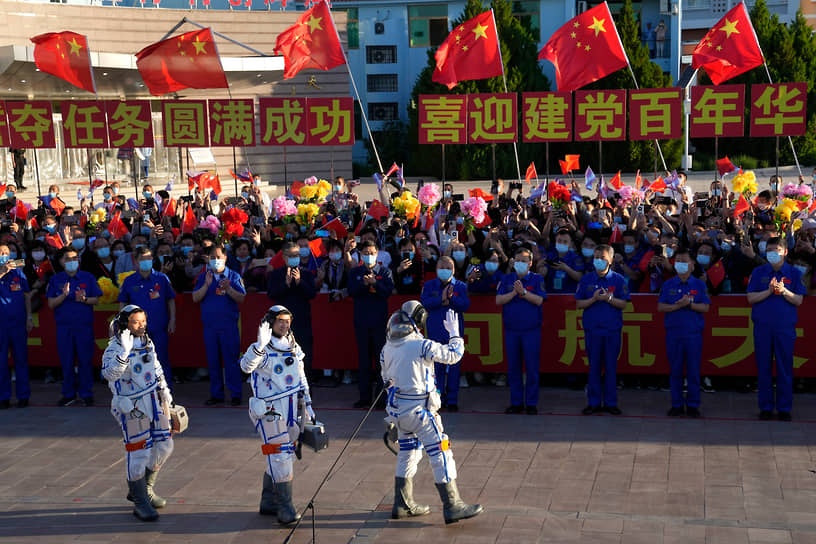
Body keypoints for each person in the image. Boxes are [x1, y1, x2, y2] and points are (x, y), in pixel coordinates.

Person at [381, 301, 482, 524]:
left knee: (409, 453)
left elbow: (386, 381)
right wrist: (455, 335)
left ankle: (403, 503)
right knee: (441, 451)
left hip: (399, 412)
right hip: (421, 412)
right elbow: (453, 355)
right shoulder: (421, 346)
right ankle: (453, 504)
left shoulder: (387, 348)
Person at [239, 305, 315, 525]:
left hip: (292, 408)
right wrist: (260, 346)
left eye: (288, 320)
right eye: (280, 320)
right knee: (280, 456)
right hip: (270, 410)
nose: (285, 324)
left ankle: (269, 501)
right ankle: (285, 507)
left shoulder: (292, 345)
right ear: (270, 323)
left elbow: (301, 377)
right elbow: (245, 367)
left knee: (282, 455)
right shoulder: (261, 347)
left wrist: (308, 403)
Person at [101, 305, 174, 522]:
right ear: (125, 324)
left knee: (165, 445)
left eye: (143, 320)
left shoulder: (146, 341)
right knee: (139, 452)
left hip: (153, 400)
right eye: (136, 322)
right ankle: (140, 500)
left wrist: (165, 390)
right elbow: (109, 374)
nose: (141, 325)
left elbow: (156, 367)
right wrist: (124, 352)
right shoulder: (114, 348)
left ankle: (145, 488)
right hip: (131, 404)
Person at [747, 237, 806, 421]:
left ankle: (784, 408)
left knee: (784, 368)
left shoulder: (794, 273)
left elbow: (798, 300)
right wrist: (769, 291)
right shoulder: (758, 272)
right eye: (769, 250)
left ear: (784, 252)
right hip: (762, 327)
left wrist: (784, 291)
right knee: (763, 368)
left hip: (784, 328)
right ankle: (765, 407)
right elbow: (751, 298)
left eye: (777, 250)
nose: (772, 253)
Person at [575, 244, 630, 415]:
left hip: (612, 331)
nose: (599, 261)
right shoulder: (586, 280)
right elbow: (579, 304)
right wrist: (593, 299)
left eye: (603, 258)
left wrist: (609, 298)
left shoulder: (619, 280)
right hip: (592, 331)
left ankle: (611, 402)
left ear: (611, 260)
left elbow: (624, 304)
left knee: (611, 368)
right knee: (594, 368)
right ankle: (593, 402)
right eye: (596, 257)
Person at [657, 249, 710, 417]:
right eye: (677, 261)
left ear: (692, 265)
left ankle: (693, 405)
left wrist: (689, 305)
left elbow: (705, 307)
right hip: (674, 334)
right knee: (676, 371)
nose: (680, 264)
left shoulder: (700, 285)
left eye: (684, 261)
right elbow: (661, 307)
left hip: (693, 334)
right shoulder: (668, 284)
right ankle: (677, 404)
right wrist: (677, 306)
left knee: (693, 371)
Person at [47, 247, 102, 406]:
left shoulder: (88, 277)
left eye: (75, 258)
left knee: (85, 361)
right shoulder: (56, 279)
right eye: (68, 259)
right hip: (64, 328)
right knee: (67, 361)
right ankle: (69, 394)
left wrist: (84, 299)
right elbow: (51, 304)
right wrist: (63, 295)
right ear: (61, 261)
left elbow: (96, 300)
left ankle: (86, 393)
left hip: (83, 326)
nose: (72, 262)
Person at [192, 245, 246, 406]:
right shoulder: (203, 277)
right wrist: (207, 285)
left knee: (231, 361)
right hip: (210, 327)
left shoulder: (233, 276)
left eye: (218, 257)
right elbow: (195, 298)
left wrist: (228, 288)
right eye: (212, 258)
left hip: (228, 326)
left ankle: (236, 394)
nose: (216, 260)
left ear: (225, 258)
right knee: (213, 362)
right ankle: (217, 394)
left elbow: (241, 298)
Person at [495, 248, 546, 414]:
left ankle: (531, 403)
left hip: (531, 331)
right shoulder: (507, 278)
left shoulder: (537, 279)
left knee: (531, 368)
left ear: (530, 263)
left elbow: (539, 300)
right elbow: (498, 300)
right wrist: (513, 293)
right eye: (517, 260)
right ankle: (516, 402)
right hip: (512, 330)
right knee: (514, 368)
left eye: (524, 261)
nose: (520, 264)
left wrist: (523, 292)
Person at [118, 247, 177, 388]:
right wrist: (122, 324)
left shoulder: (161, 279)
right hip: (136, 330)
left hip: (158, 326)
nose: (146, 261)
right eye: (143, 259)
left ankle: (164, 391)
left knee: (161, 359)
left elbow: (170, 299)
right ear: (136, 262)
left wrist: (172, 319)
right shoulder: (129, 280)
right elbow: (123, 302)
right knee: (137, 360)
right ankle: (141, 390)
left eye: (149, 258)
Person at [420, 256, 470, 411]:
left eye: (448, 267)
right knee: (436, 367)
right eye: (442, 267)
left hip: (454, 333)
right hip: (435, 331)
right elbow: (424, 303)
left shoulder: (460, 286)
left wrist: (451, 300)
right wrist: (441, 300)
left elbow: (465, 305)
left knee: (454, 366)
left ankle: (452, 399)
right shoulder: (429, 285)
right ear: (436, 269)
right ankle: (438, 398)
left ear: (454, 270)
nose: (445, 270)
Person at [348, 240, 394, 408]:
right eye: (365, 253)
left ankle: (381, 398)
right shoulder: (355, 273)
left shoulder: (385, 272)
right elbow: (352, 291)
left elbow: (387, 292)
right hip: (361, 322)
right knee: (364, 361)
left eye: (372, 253)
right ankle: (364, 397)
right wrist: (364, 284)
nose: (369, 256)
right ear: (361, 255)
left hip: (380, 323)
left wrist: (375, 283)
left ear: (377, 253)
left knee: (381, 361)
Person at [267, 242, 316, 378]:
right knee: (281, 360)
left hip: (302, 322)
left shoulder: (306, 273)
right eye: (291, 255)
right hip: (281, 325)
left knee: (305, 360)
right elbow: (271, 295)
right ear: (284, 257)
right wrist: (285, 284)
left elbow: (312, 294)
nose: (295, 258)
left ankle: (305, 395)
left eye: (297, 255)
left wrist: (300, 282)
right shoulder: (276, 274)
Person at [0, 243, 32, 408]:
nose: (4, 255)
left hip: (18, 323)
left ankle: (23, 395)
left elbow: (27, 296)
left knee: (20, 360)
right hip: (1, 326)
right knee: (1, 362)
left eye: (6, 252)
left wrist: (29, 317)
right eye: (1, 252)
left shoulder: (18, 274)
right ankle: (3, 397)